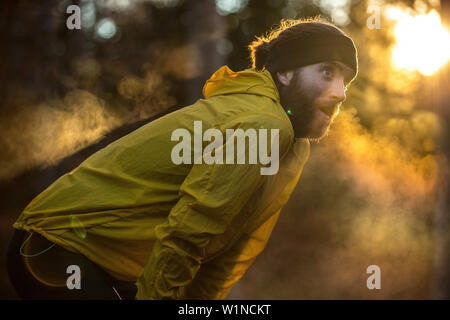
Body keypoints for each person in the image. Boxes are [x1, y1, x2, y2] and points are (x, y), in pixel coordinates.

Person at [6, 17, 358, 300]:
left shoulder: (292, 142)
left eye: (345, 79)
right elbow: (191, 230)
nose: (340, 93)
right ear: (285, 72)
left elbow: (231, 247)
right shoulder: (264, 123)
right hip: (56, 246)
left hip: (102, 258)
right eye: (327, 72)